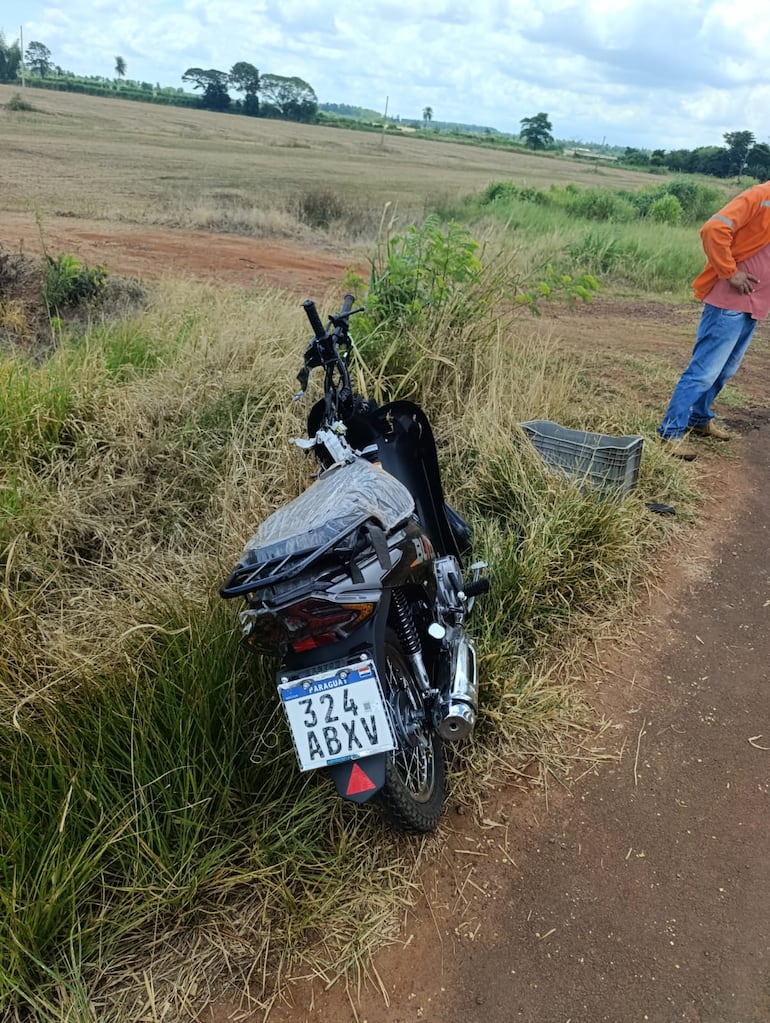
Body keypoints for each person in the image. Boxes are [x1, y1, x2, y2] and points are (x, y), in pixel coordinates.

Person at [658, 180, 770, 460]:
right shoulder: (760, 196)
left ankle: (699, 419)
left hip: (755, 304)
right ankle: (670, 432)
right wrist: (730, 272)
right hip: (729, 302)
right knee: (704, 371)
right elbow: (713, 229)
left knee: (725, 371)